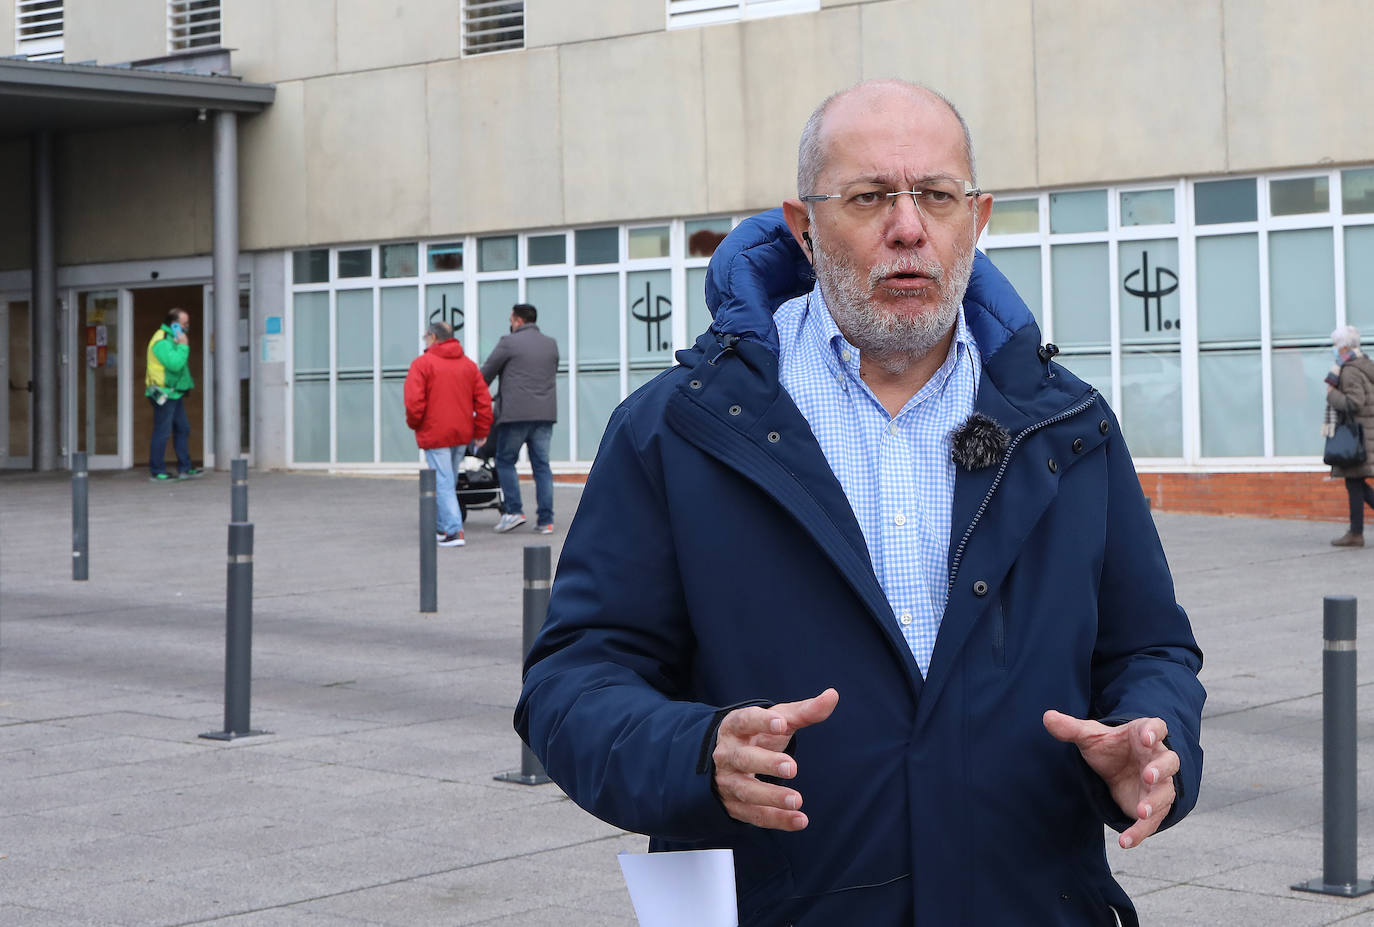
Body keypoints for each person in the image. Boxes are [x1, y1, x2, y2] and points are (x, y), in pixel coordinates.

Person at [514, 80, 1205, 925]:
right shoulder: (679, 430)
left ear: (977, 220)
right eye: (870, 196)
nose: (909, 227)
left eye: (937, 197)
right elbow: (575, 680)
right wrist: (697, 754)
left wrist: (1151, 737)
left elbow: (1153, 649)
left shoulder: (1068, 426)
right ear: (803, 227)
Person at [404, 321, 493, 547]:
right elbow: (483, 400)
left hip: (435, 432)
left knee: (443, 482)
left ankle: (453, 530)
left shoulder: (422, 364)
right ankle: (444, 528)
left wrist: (416, 424)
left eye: (426, 336)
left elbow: (414, 402)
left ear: (433, 337)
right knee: (449, 479)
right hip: (461, 432)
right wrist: (481, 429)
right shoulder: (468, 366)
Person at [480, 303, 559, 534]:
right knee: (542, 466)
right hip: (545, 414)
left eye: (511, 319)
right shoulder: (550, 344)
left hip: (515, 414)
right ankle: (546, 521)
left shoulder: (508, 342)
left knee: (505, 461)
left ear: (518, 321)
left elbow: (485, 374)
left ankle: (514, 511)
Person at [1325, 325, 1374, 547]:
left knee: (1354, 483)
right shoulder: (1364, 365)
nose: (1335, 348)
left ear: (1344, 346)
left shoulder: (1350, 370)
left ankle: (1356, 534)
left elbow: (1354, 402)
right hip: (1364, 433)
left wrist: (1332, 395)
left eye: (1336, 344)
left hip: (1356, 437)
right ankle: (1355, 532)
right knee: (1355, 483)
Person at [144, 307, 202, 482]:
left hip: (174, 393)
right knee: (162, 431)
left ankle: (185, 467)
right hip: (163, 393)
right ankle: (157, 470)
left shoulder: (171, 338)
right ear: (174, 325)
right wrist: (184, 345)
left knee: (182, 428)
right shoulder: (162, 341)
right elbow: (175, 364)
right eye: (185, 324)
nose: (187, 327)